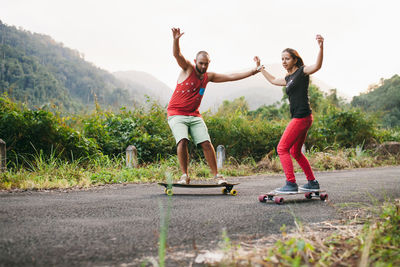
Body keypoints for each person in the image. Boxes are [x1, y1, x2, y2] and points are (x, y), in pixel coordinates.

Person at [168, 27, 262, 185]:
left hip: (194, 115)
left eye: (206, 64)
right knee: (183, 141)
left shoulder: (208, 76)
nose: (203, 67)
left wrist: (253, 71)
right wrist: (176, 40)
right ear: (196, 61)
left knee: (206, 143)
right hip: (176, 114)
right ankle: (184, 176)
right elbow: (177, 55)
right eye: (201, 63)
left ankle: (217, 175)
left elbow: (231, 76)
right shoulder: (188, 68)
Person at [255, 34, 324, 192]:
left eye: (287, 58)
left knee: (282, 148)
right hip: (302, 117)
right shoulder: (288, 77)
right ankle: (312, 182)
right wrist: (260, 68)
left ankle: (291, 183)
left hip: (302, 116)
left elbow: (317, 66)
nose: (284, 62)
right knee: (295, 151)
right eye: (282, 59)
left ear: (295, 59)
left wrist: (320, 48)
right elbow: (273, 80)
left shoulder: (302, 72)